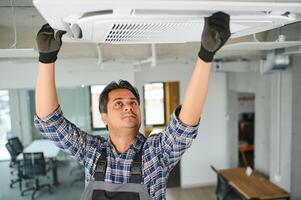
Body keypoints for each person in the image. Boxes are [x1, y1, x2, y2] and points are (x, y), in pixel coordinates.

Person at [34, 12, 230, 200]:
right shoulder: (91, 151)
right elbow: (50, 122)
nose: (128, 107)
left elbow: (184, 125)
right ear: (104, 117)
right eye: (118, 104)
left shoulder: (154, 154)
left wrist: (206, 55)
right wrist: (46, 59)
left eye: (133, 103)